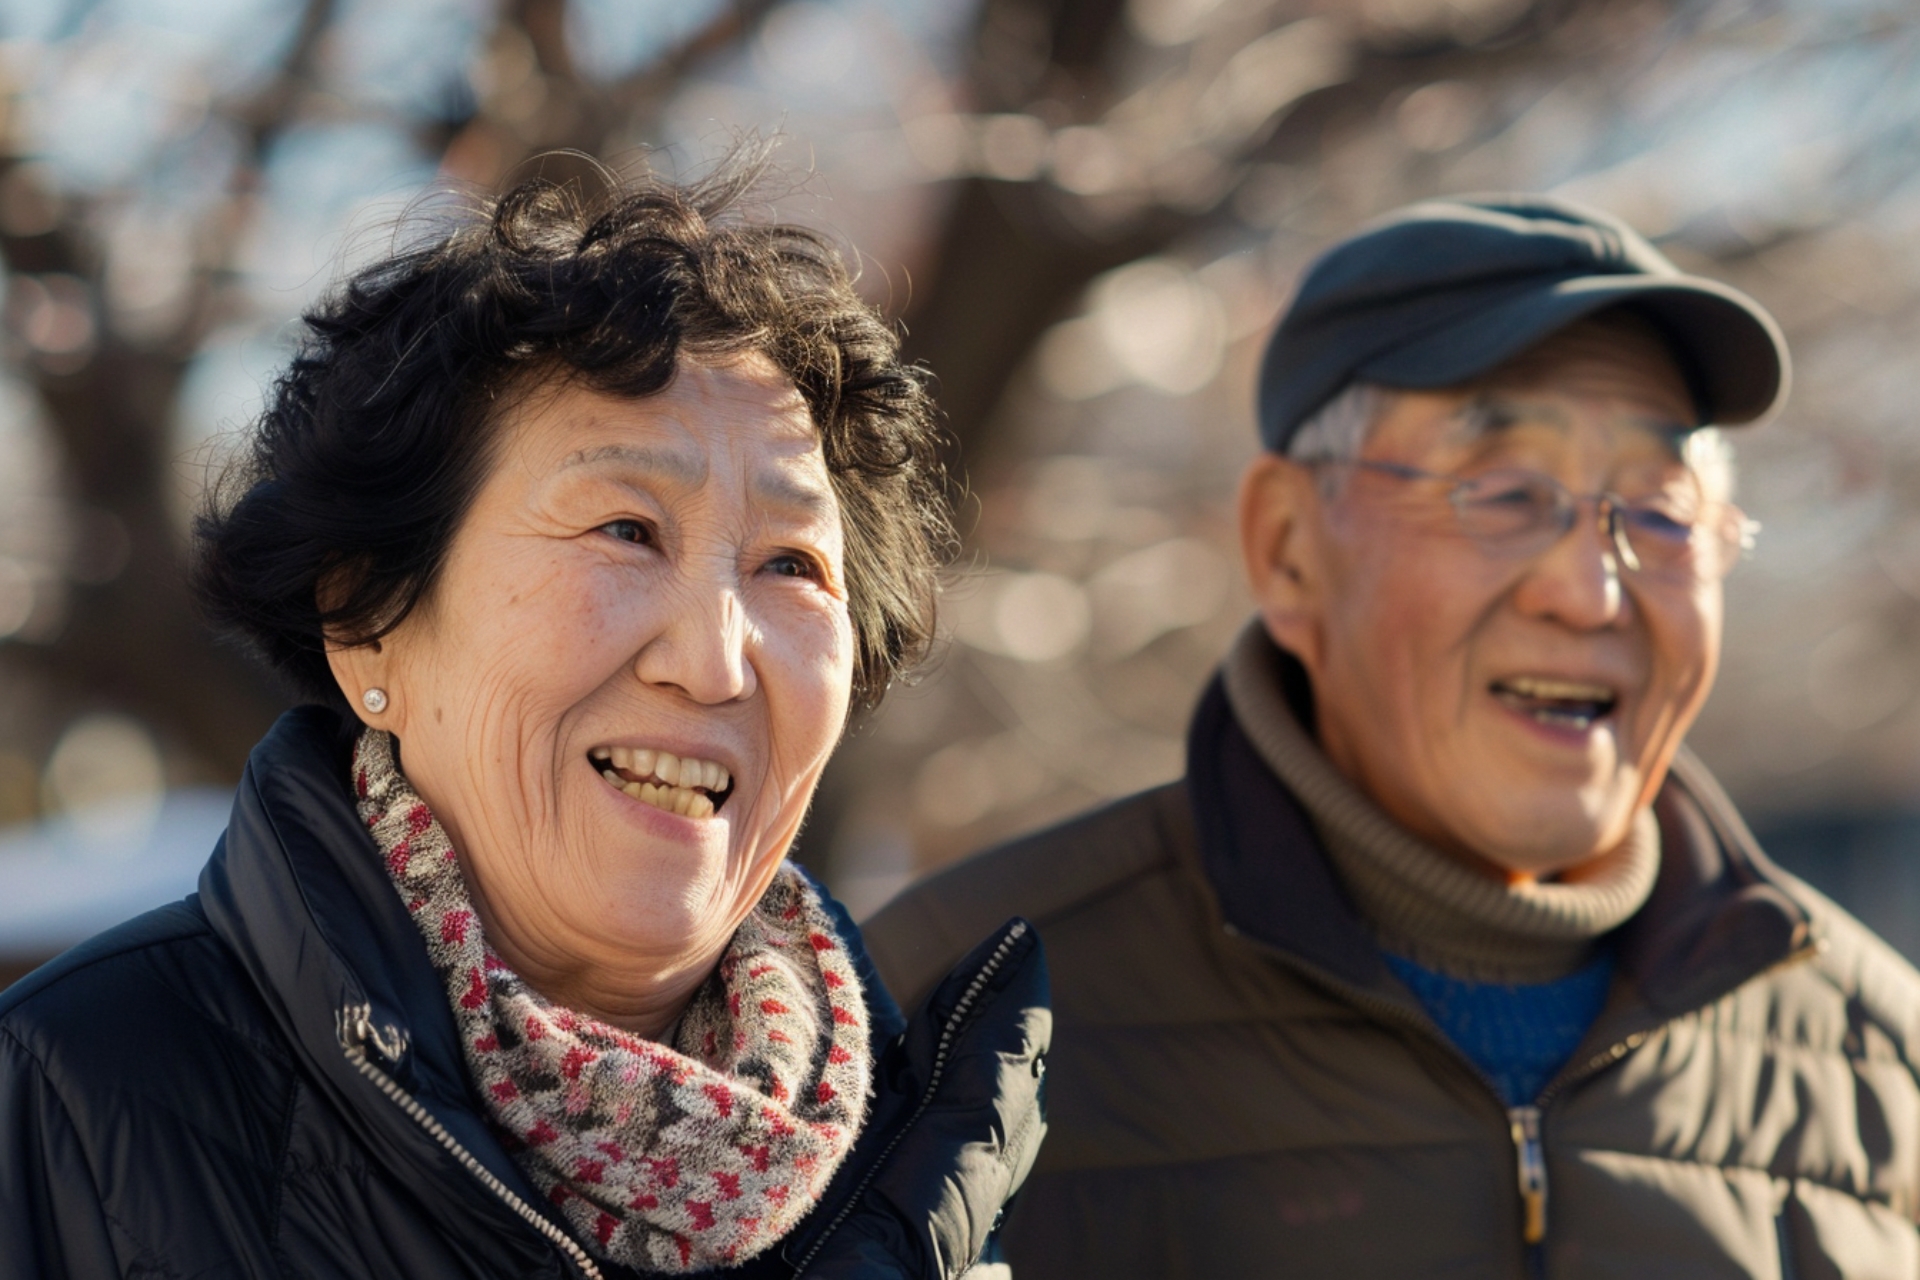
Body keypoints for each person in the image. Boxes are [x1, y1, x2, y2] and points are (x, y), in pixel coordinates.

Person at [0, 154, 1048, 1279]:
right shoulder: (66, 1099)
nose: (714, 662)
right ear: (366, 623)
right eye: (625, 530)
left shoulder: (930, 1158)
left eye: (792, 564)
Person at [864, 196, 1920, 1276]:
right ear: (1287, 547)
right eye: (1507, 492)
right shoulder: (962, 1013)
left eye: (1659, 510)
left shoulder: (1880, 1062)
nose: (1592, 588)